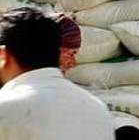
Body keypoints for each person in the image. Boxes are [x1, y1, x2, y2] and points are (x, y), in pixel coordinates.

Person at [0, 7, 115, 140]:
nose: (72, 63)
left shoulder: (8, 106)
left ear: (3, 55)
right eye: (70, 54)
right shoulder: (97, 108)